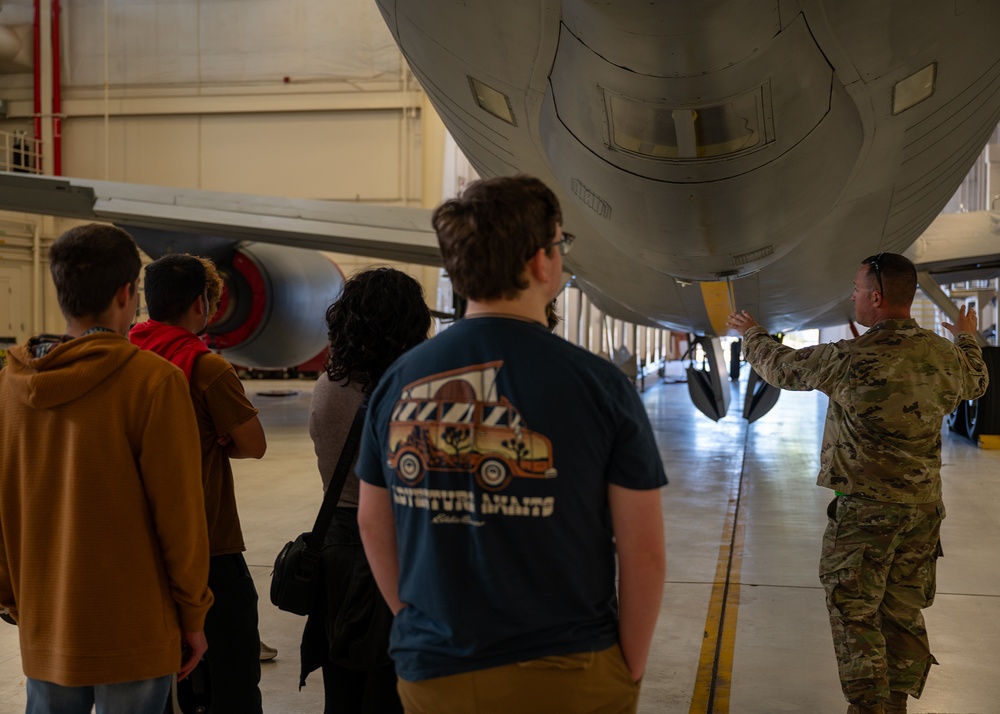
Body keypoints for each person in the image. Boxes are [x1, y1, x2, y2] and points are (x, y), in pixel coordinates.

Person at [356, 175, 668, 714]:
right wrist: (629, 665)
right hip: (569, 669)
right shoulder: (600, 385)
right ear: (540, 261)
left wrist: (411, 620)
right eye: (559, 245)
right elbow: (642, 550)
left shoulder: (400, 379)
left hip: (435, 670)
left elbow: (371, 520)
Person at [726, 252, 989, 714]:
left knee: (854, 610)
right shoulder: (944, 356)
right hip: (923, 513)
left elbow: (781, 368)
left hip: (867, 513)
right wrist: (967, 340)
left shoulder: (851, 358)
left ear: (877, 297)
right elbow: (977, 381)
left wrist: (752, 335)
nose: (851, 297)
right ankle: (895, 703)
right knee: (903, 609)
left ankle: (869, 708)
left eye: (856, 290)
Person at [0, 223, 213, 713]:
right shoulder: (154, 382)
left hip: (46, 622)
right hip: (136, 629)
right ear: (126, 292)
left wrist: (18, 601)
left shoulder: (12, 387)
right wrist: (194, 614)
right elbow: (179, 517)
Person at [130, 253, 267, 714]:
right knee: (234, 676)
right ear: (200, 305)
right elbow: (254, 444)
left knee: (161, 680)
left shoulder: (128, 357)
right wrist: (217, 439)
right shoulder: (207, 368)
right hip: (209, 544)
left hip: (142, 547)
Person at [302, 267, 432, 714]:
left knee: (342, 689)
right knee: (392, 691)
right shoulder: (410, 394)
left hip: (336, 551)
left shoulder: (328, 386)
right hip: (396, 548)